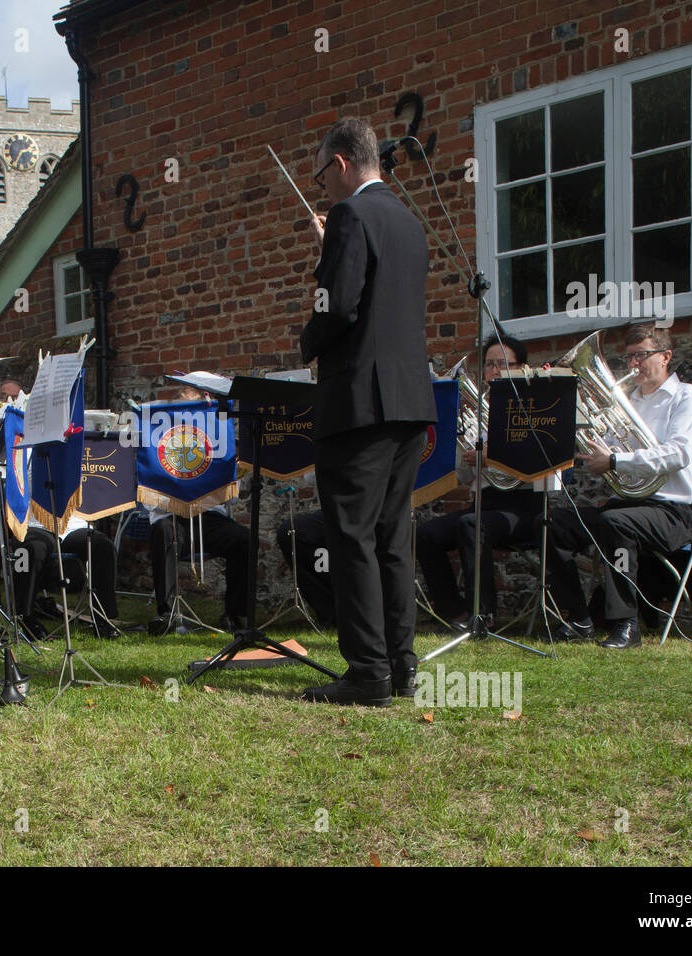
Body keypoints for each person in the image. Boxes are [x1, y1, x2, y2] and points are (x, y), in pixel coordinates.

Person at [298, 117, 436, 706]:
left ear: (343, 164)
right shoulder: (409, 221)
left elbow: (339, 308)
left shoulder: (352, 216)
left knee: (351, 535)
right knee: (391, 538)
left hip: (360, 404)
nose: (321, 186)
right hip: (410, 405)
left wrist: (308, 333)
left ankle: (367, 673)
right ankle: (401, 667)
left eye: (321, 173)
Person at [544, 322, 692, 648]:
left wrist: (618, 462)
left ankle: (626, 625)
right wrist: (562, 396)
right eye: (630, 357)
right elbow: (599, 447)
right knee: (554, 524)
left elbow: (678, 453)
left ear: (665, 356)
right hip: (628, 505)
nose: (633, 364)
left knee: (615, 522)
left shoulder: (687, 397)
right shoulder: (625, 401)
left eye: (642, 356)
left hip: (673, 511)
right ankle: (579, 617)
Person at [416, 335, 548, 630]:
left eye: (503, 364)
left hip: (525, 506)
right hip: (485, 503)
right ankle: (455, 613)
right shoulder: (477, 412)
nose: (495, 371)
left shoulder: (534, 408)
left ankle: (484, 615)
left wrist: (493, 456)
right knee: (426, 534)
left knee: (471, 525)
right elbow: (463, 476)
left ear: (521, 367)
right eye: (489, 364)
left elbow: (539, 459)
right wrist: (462, 456)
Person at [146, 383, 250, 634]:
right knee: (162, 534)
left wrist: (223, 475)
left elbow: (231, 501)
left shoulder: (215, 443)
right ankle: (167, 613)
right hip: (173, 517)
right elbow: (149, 500)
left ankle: (234, 614)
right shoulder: (157, 442)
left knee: (243, 540)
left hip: (209, 517)